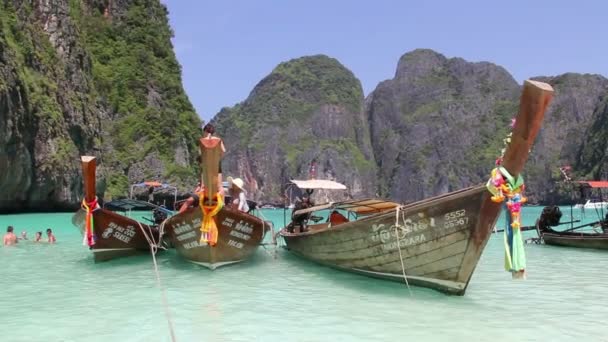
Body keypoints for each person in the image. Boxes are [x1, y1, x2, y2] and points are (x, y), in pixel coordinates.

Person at [201, 123, 226, 195]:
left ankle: (203, 201)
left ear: (206, 131)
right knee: (220, 186)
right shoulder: (218, 140)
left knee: (204, 185)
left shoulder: (203, 140)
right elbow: (223, 150)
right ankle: (222, 203)